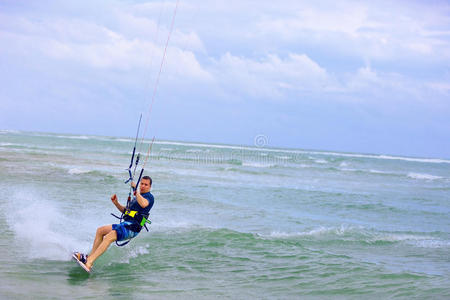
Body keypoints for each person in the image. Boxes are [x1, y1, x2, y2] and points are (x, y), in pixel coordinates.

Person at [74, 176, 154, 271]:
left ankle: (89, 262)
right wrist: (116, 203)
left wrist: (136, 191)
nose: (143, 186)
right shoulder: (136, 197)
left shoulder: (149, 197)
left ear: (150, 186)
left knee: (110, 236)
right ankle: (88, 258)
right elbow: (126, 211)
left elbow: (144, 204)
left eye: (146, 184)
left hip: (133, 227)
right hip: (126, 224)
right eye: (142, 184)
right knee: (101, 230)